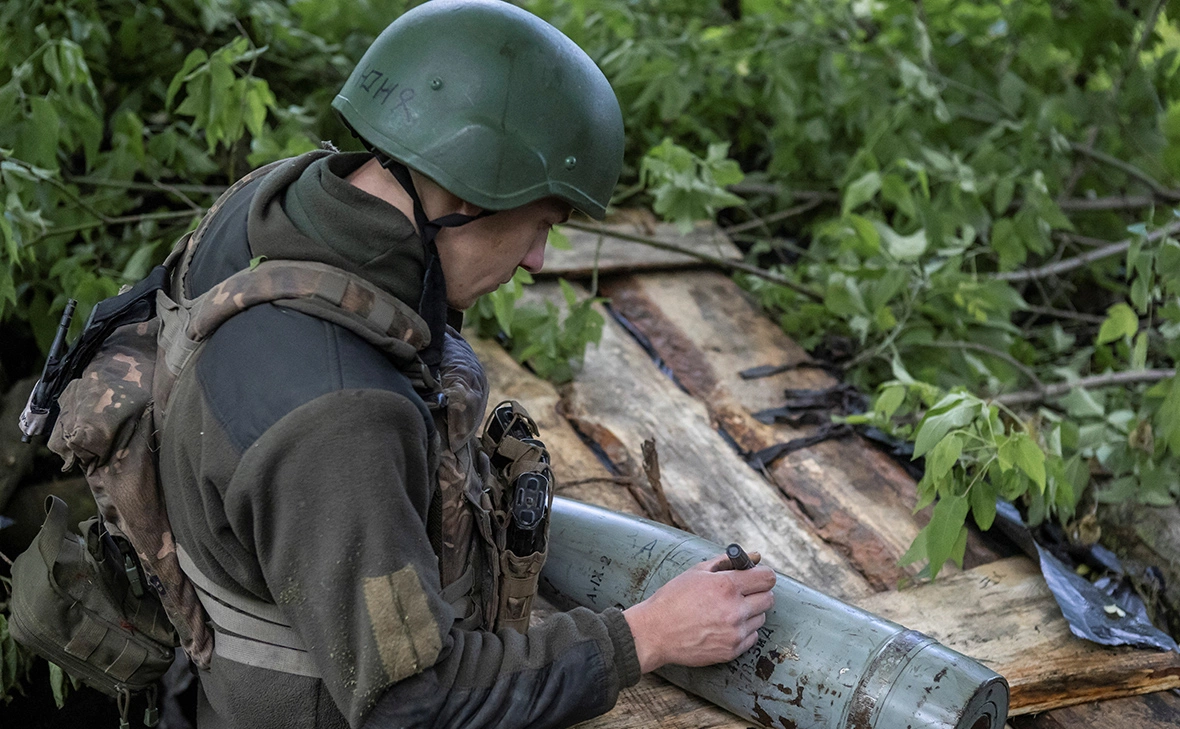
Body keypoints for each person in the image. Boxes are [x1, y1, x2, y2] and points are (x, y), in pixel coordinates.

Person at [157, 1, 777, 728]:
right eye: (541, 222)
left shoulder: (267, 213)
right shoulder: (343, 419)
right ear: (465, 195)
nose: (540, 258)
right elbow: (411, 702)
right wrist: (647, 635)